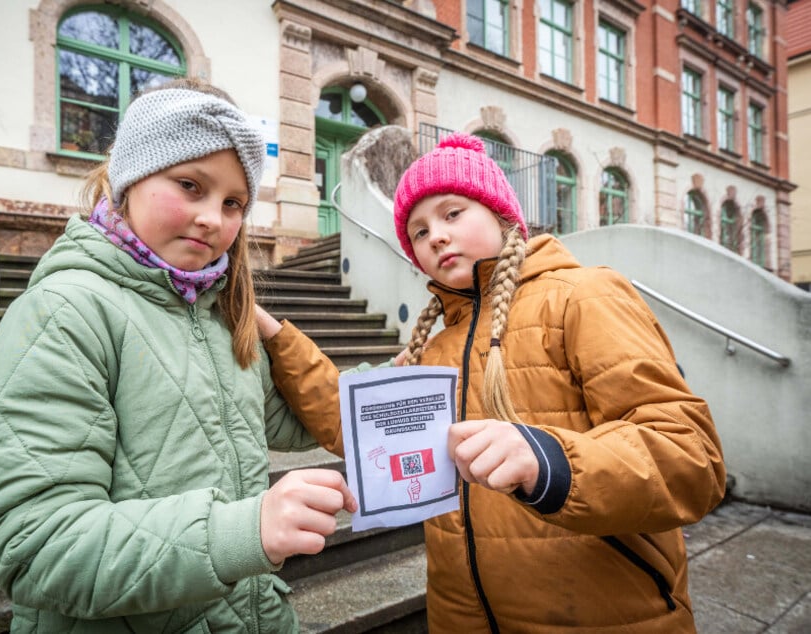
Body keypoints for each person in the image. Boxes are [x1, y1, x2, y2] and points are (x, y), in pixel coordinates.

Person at [253, 133, 726, 633]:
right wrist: (277, 335)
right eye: (418, 232)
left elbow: (690, 457)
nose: (435, 235)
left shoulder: (583, 296)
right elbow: (349, 422)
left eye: (452, 213)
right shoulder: (434, 347)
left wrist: (552, 462)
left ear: (503, 215)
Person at [0, 81, 357, 633]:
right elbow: (34, 544)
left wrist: (410, 385)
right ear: (129, 179)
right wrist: (244, 532)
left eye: (233, 204)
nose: (212, 219)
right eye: (190, 185)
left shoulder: (215, 314)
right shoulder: (64, 312)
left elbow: (305, 416)